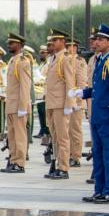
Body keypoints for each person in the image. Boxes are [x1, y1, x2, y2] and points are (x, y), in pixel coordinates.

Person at [75, 24, 109, 203]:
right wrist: (85, 93)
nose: (96, 42)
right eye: (96, 39)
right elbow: (100, 89)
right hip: (97, 116)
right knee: (97, 153)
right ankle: (99, 190)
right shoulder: (101, 60)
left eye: (100, 39)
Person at [44, 29, 76, 179]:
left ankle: (63, 168)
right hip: (52, 103)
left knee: (63, 137)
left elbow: (70, 82)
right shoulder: (54, 58)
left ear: (63, 42)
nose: (52, 43)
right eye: (52, 41)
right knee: (55, 137)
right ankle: (57, 164)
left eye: (55, 40)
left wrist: (69, 104)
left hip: (61, 104)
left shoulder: (66, 58)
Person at [1, 33, 32, 173]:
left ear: (19, 45)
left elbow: (25, 86)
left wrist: (23, 106)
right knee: (12, 136)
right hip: (11, 104)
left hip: (19, 105)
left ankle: (20, 163)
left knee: (19, 136)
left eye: (12, 43)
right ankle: (13, 160)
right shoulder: (13, 61)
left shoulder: (23, 61)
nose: (9, 45)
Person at [68, 39, 87, 168]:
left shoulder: (79, 61)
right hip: (66, 102)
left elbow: (81, 83)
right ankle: (68, 154)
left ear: (75, 47)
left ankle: (76, 156)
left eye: (68, 46)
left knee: (75, 130)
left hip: (75, 102)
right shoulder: (66, 60)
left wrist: (78, 102)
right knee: (66, 131)